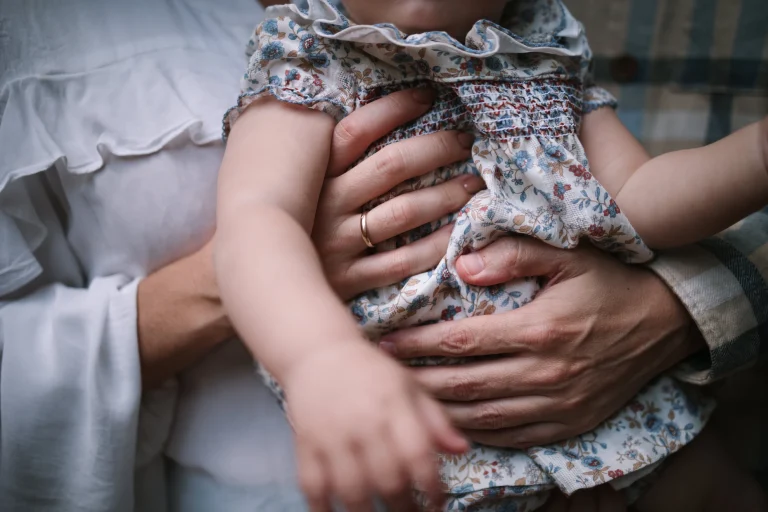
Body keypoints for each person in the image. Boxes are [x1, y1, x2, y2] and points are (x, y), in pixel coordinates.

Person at [0, 1, 765, 511]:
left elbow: (639, 200)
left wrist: (753, 156)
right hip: (437, 432)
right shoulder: (315, 61)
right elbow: (258, 223)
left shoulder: (541, 55)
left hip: (623, 406)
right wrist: (320, 358)